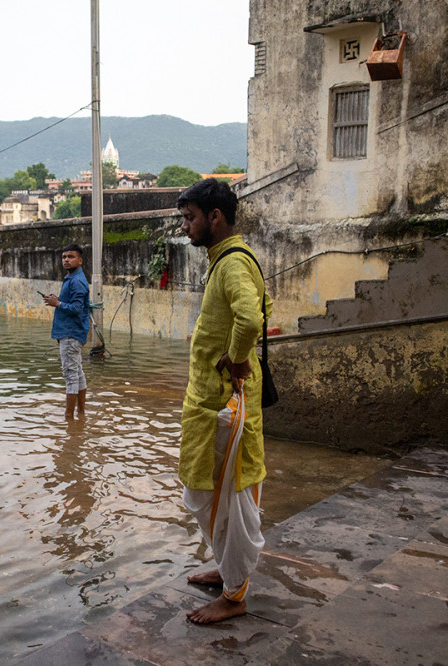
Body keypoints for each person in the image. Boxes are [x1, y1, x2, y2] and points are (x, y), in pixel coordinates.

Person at [176, 178, 272, 624]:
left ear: (215, 217)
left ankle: (234, 596)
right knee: (210, 492)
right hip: (213, 404)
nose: (185, 227)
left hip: (224, 405)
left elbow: (251, 317)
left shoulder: (232, 263)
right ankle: (227, 569)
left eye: (190, 218)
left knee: (228, 495)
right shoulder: (228, 259)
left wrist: (234, 360)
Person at [43, 243, 90, 420]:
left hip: (70, 334)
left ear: (80, 260)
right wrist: (58, 300)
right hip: (72, 332)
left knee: (70, 375)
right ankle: (81, 415)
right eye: (64, 257)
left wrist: (59, 304)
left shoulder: (77, 281)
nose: (66, 260)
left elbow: (77, 308)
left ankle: (69, 419)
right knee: (77, 373)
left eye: (71, 257)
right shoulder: (73, 278)